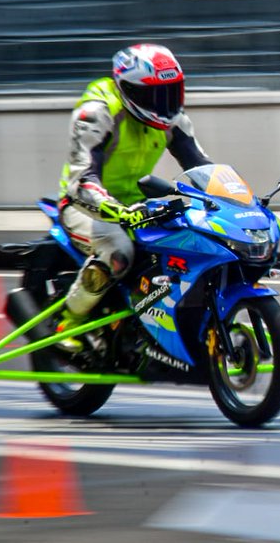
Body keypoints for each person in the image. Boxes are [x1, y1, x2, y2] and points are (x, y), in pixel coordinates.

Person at [55, 43, 212, 351]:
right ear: (129, 90)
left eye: (171, 92)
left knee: (191, 242)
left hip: (139, 206)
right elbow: (82, 179)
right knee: (119, 252)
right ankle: (68, 320)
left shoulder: (172, 119)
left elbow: (202, 166)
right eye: (156, 95)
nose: (165, 103)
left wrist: (235, 199)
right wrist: (117, 211)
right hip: (84, 206)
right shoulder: (97, 113)